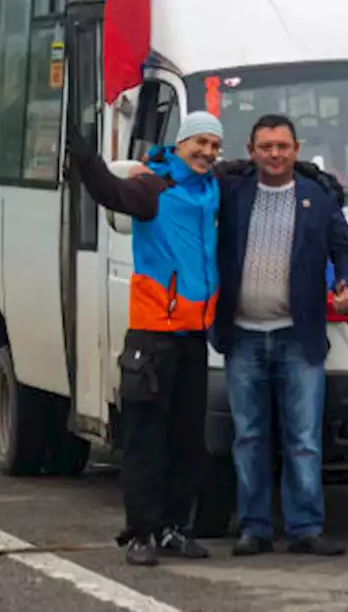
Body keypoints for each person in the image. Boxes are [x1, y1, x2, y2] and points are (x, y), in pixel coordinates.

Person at [65, 111, 224, 567]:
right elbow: (110, 193)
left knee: (188, 441)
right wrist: (85, 158)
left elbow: (256, 169)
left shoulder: (211, 187)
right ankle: (141, 534)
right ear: (182, 143)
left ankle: (176, 528)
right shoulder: (154, 187)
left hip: (194, 336)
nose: (208, 153)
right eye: (200, 143)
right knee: (146, 441)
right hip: (153, 338)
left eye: (214, 146)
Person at [214, 114, 348, 558]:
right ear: (251, 150)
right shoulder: (232, 196)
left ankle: (305, 528)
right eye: (266, 147)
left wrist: (347, 285)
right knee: (249, 438)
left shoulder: (317, 198)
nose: (274, 154)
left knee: (303, 440)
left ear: (296, 150)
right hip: (242, 337)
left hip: (298, 338)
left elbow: (347, 251)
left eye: (282, 146)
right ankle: (254, 528)